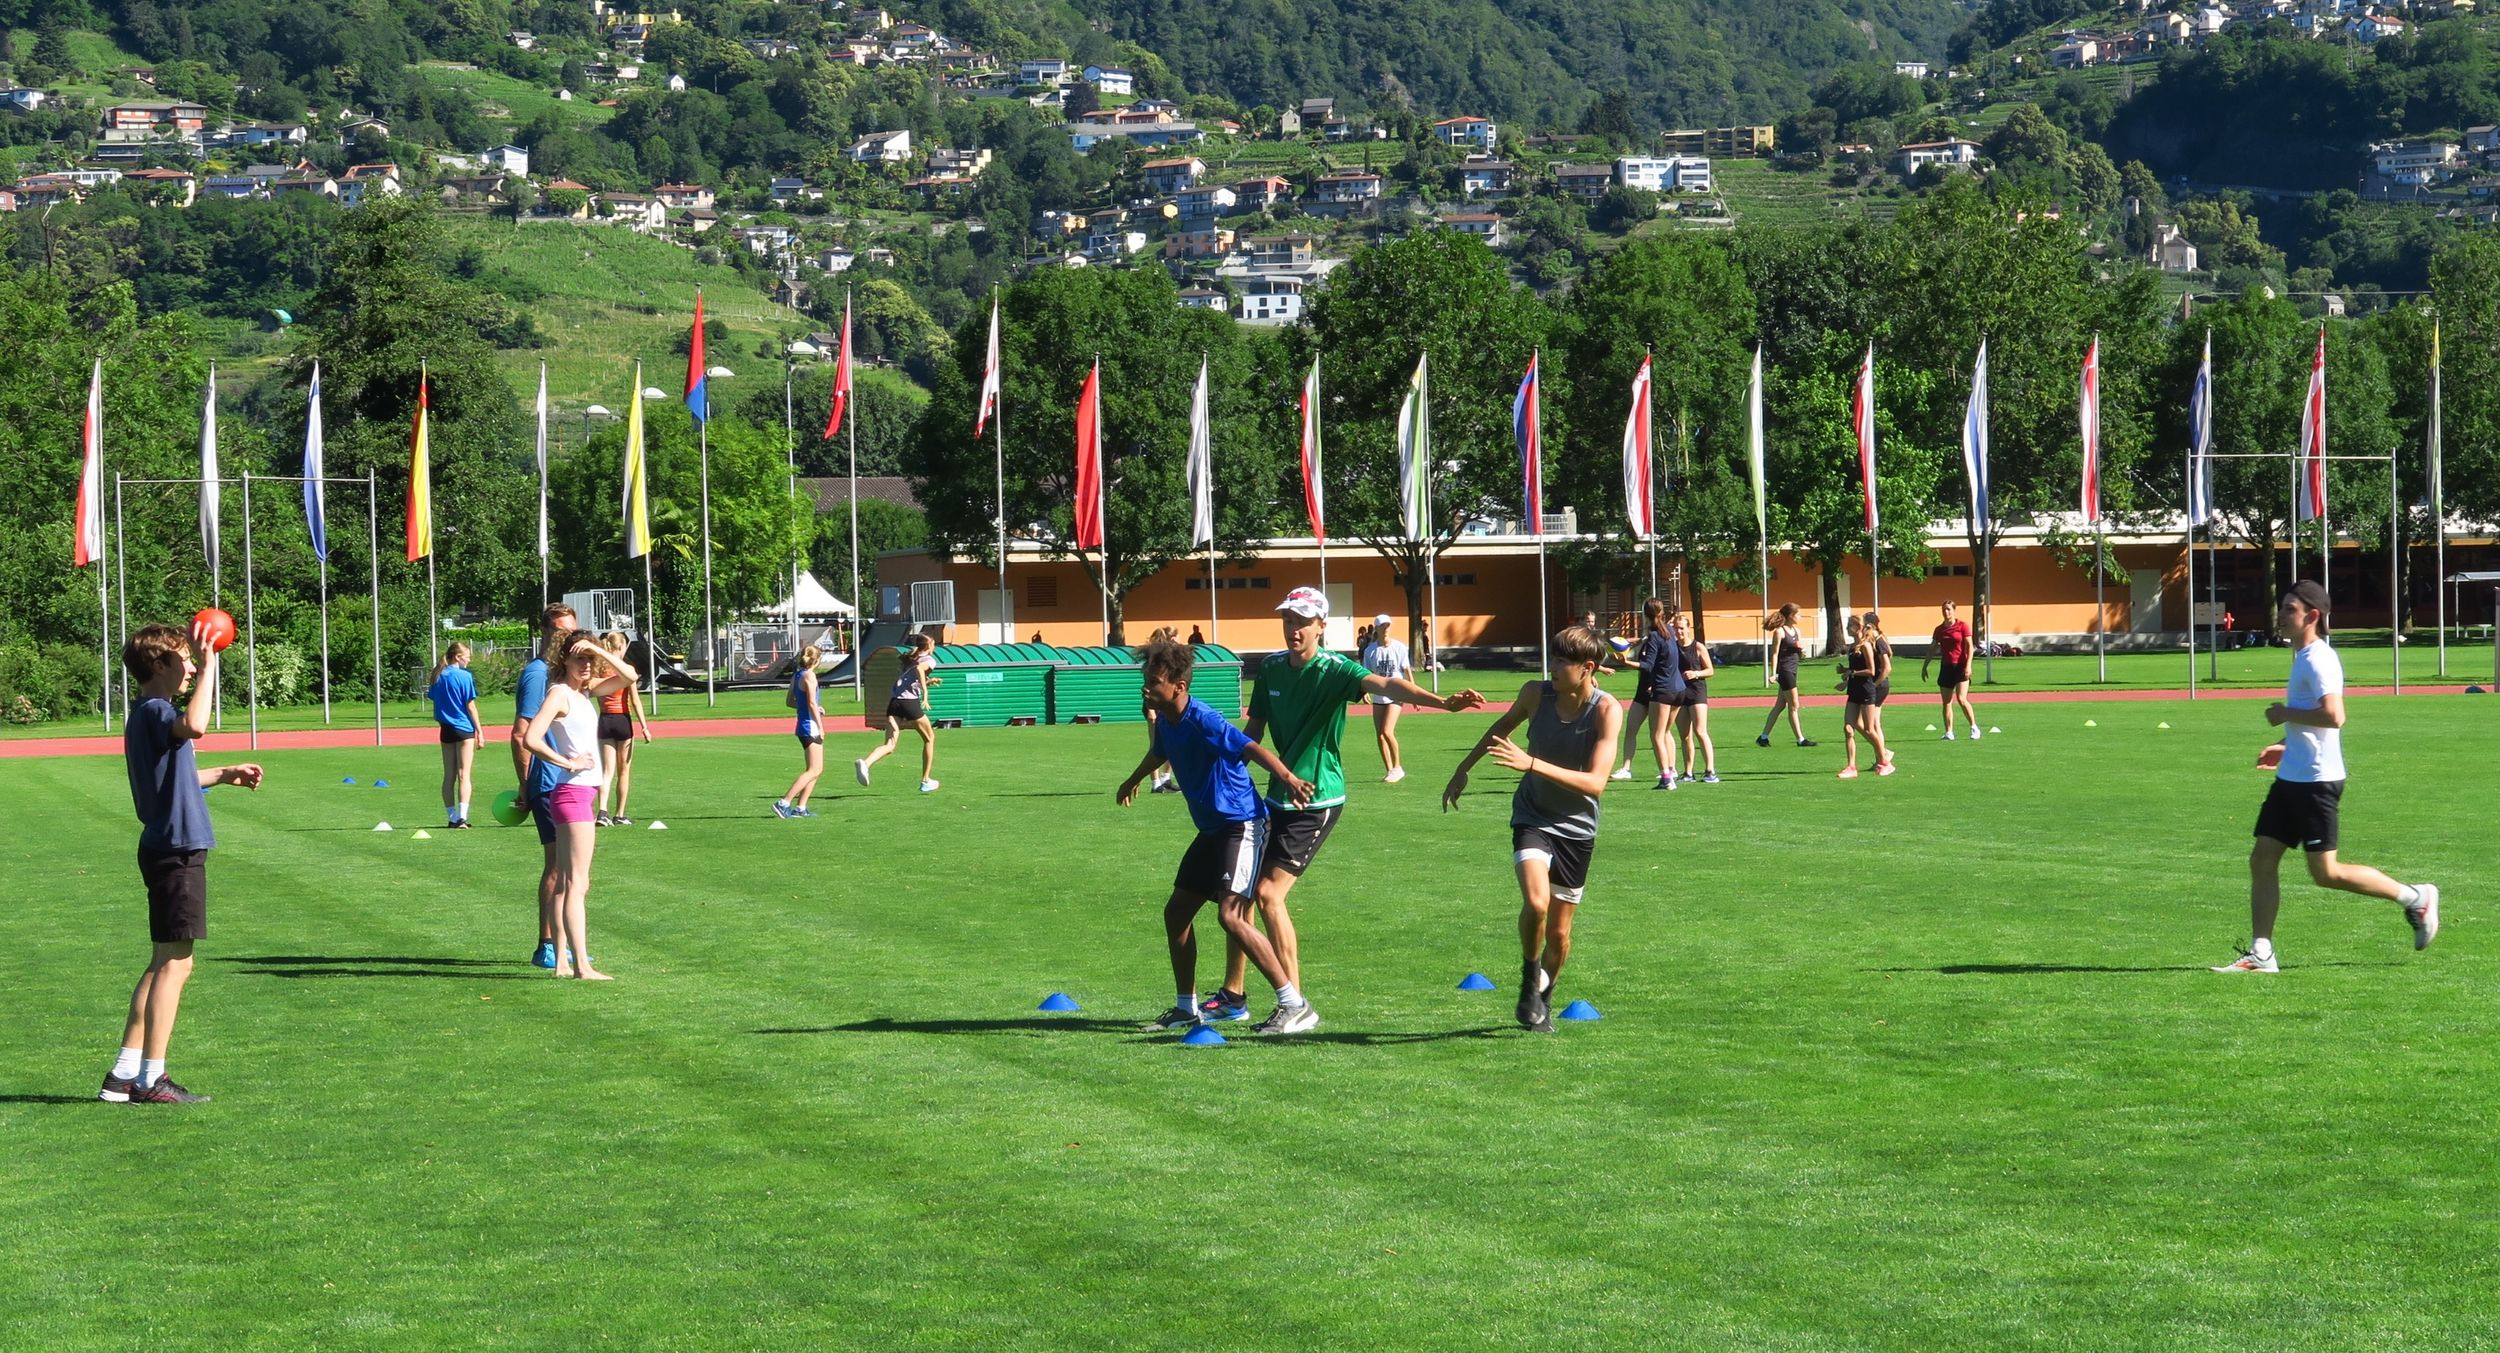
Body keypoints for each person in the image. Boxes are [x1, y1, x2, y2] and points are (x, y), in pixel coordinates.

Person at [1196, 587, 1485, 1023]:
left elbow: (1386, 684)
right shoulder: (1271, 669)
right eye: (1288, 620)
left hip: (1317, 799)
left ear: (1321, 627)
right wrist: (1219, 769)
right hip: (1276, 797)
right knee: (1240, 897)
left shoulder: (1335, 669)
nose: (1293, 629)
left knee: (1269, 894)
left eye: (1302, 621)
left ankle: (1294, 1006)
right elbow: (1252, 733)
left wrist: (1442, 702)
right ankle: (1234, 996)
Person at [2215, 581, 2439, 973]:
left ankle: (2414, 897)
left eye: (2290, 609)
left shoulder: (2319, 659)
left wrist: (2284, 714)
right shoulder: (2302, 656)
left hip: (2316, 782)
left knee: (2326, 873)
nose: (2282, 615)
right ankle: (2261, 952)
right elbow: (2313, 721)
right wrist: (2286, 744)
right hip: (2293, 777)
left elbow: (2335, 716)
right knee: (2262, 859)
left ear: (2312, 616)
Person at [1118, 636, 1319, 1034]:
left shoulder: (1203, 719)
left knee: (1231, 915)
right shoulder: (1167, 721)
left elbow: (1250, 747)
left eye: (1154, 682)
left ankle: (1295, 1005)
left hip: (1241, 825)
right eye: (1146, 680)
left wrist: (1289, 778)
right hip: (1212, 830)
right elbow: (1160, 752)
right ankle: (1186, 1008)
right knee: (1176, 913)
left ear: (1179, 686)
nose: (1146, 688)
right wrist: (1133, 778)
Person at [100, 621, 265, 1105]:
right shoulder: (157, 709)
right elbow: (196, 725)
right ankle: (152, 1080)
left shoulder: (147, 713)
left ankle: (123, 1074)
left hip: (164, 846)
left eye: (195, 660)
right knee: (177, 964)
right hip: (177, 850)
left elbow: (174, 775)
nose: (191, 666)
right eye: (185, 658)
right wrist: (212, 664)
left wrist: (223, 773)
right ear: (160, 665)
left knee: (161, 963)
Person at [1441, 625, 1624, 1034]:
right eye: (1552, 658)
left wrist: (1531, 763)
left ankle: (1545, 994)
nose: (1552, 668)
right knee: (1536, 903)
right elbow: (1500, 727)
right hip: (1533, 816)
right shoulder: (1534, 694)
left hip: (1577, 827)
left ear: (1588, 668)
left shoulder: (1606, 710)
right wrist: (1463, 768)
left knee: (1559, 934)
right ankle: (1529, 975)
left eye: (1562, 661)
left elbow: (1596, 783)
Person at [521, 630, 639, 980]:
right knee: (578, 884)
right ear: (564, 660)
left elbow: (630, 676)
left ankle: (561, 962)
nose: (586, 665)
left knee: (565, 883)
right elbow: (531, 737)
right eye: (579, 658)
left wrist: (598, 651)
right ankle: (582, 966)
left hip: (577, 794)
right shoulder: (559, 693)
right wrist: (567, 762)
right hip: (572, 793)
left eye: (590, 659)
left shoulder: (584, 692)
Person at [513, 603, 577, 970]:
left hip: (568, 782)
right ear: (545, 632)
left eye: (571, 631)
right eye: (560, 631)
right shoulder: (538, 674)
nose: (566, 637)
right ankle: (547, 945)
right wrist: (525, 786)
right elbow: (520, 733)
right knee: (556, 866)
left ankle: (563, 943)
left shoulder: (560, 673)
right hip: (549, 783)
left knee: (570, 867)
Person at [1611, 598, 1683, 787]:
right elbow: (1652, 641)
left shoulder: (1654, 636)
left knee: (1658, 734)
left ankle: (1667, 776)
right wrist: (1631, 643)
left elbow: (1647, 665)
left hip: (1662, 689)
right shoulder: (1669, 631)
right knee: (1651, 731)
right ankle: (1628, 769)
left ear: (1644, 614)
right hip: (1677, 688)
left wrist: (1625, 662)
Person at [857, 633, 941, 793]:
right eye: (933, 643)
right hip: (909, 703)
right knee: (929, 738)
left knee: (890, 744)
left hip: (894, 702)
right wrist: (925, 692)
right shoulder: (929, 660)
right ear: (929, 645)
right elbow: (919, 670)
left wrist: (929, 681)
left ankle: (865, 764)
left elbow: (910, 680)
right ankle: (925, 781)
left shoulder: (910, 658)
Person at [594, 631, 653, 826]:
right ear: (620, 647)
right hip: (622, 720)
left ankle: (602, 812)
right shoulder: (626, 669)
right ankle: (619, 815)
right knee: (624, 770)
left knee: (607, 771)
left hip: (605, 720)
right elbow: (635, 700)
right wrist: (644, 726)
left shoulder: (599, 669)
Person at [427, 640, 482, 829]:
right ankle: (462, 818)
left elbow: (435, 699)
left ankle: (451, 817)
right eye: (467, 656)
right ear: (458, 657)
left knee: (448, 775)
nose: (469, 660)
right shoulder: (464, 676)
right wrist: (480, 731)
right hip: (464, 728)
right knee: (463, 774)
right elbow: (470, 706)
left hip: (446, 729)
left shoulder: (438, 675)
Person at [1359, 613, 1416, 783]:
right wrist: (1364, 692)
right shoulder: (1370, 651)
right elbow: (1366, 674)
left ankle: (1398, 767)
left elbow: (1407, 670)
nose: (1386, 628)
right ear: (1376, 628)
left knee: (1387, 731)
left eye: (1387, 625)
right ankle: (1389, 770)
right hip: (1379, 693)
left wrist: (1414, 693)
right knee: (1380, 734)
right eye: (1382, 626)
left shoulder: (1399, 647)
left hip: (1396, 693)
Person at [1838, 612, 1894, 779]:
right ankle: (1851, 767)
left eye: (1849, 625)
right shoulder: (1852, 647)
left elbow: (1871, 670)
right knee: (1848, 728)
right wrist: (1845, 675)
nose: (1847, 628)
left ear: (1858, 627)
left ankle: (1885, 761)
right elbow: (1854, 669)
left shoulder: (1866, 645)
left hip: (1866, 690)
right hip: (1854, 690)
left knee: (1870, 729)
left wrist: (1852, 673)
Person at [775, 644, 827, 819]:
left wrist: (814, 708)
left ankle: (801, 807)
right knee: (813, 770)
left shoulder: (797, 675)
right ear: (816, 660)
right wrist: (820, 725)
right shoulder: (810, 676)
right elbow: (811, 702)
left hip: (803, 725)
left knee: (816, 769)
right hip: (810, 726)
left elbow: (790, 702)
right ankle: (783, 803)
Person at [1755, 603, 1814, 749]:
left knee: (1780, 705)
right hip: (1785, 671)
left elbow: (1798, 650)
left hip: (1793, 670)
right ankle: (1800, 739)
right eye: (1798, 614)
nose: (1800, 617)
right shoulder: (1779, 632)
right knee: (1794, 705)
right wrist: (1773, 673)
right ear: (1790, 616)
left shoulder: (1797, 631)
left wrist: (1801, 651)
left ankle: (1763, 737)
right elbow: (1775, 654)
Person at [1920, 600, 1980, 741]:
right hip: (1946, 667)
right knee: (1946, 702)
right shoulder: (1939, 629)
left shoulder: (1962, 626)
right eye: (1944, 610)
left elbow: (1970, 647)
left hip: (1960, 666)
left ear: (1954, 610)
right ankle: (1949, 732)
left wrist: (1968, 666)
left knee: (1961, 699)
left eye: (1948, 609)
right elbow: (1932, 648)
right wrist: (1925, 666)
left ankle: (1974, 727)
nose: (1946, 612)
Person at [1673, 612, 1718, 783]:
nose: (1678, 632)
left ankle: (1710, 771)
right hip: (1680, 693)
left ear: (1688, 628)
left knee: (1700, 731)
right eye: (1676, 628)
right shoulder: (1673, 647)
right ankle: (1688, 772)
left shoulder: (1698, 647)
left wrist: (1696, 673)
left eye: (1681, 628)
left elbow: (1710, 670)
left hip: (1697, 691)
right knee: (1684, 735)